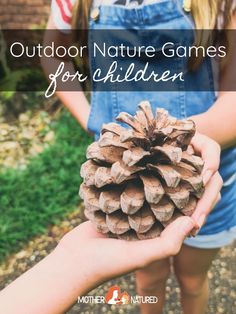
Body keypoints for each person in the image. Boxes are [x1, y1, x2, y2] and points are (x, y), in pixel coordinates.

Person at [42, 1, 236, 313]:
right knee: (148, 280)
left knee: (193, 279)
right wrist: (88, 117)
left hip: (205, 177)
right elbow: (54, 52)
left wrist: (177, 142)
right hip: (127, 189)